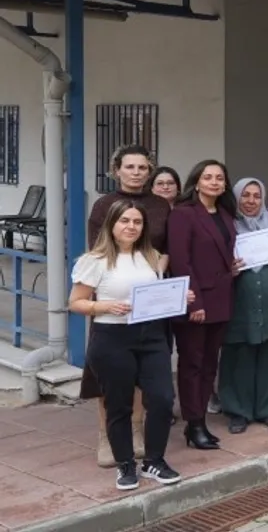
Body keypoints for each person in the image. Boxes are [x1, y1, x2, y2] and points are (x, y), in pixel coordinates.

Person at [71, 199, 188, 490]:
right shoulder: (94, 260)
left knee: (162, 399)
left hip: (151, 336)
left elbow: (156, 295)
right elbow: (75, 302)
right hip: (112, 337)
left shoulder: (150, 256)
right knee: (119, 405)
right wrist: (104, 306)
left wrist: (178, 297)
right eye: (125, 221)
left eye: (137, 222)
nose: (131, 227)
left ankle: (154, 461)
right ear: (112, 224)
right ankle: (125, 465)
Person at [85, 145, 173, 467]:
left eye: (142, 167)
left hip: (151, 296)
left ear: (150, 171)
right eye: (130, 167)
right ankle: (105, 437)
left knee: (145, 369)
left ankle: (136, 431)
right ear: (116, 170)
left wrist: (158, 270)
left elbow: (166, 247)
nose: (136, 172)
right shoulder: (104, 205)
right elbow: (96, 250)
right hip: (114, 297)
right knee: (110, 374)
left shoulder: (160, 204)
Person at [168, 160, 240, 451]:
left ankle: (201, 422)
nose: (214, 182)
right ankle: (193, 423)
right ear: (196, 182)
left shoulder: (224, 213)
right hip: (196, 301)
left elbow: (221, 253)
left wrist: (232, 266)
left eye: (219, 178)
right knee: (192, 364)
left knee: (210, 363)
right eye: (208, 177)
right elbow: (180, 261)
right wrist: (194, 302)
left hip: (222, 297)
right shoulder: (183, 214)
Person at [219, 178, 268, 434]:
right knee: (239, 355)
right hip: (240, 300)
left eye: (257, 196)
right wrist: (229, 268)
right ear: (236, 198)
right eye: (245, 195)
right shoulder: (228, 226)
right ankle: (238, 411)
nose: (251, 201)